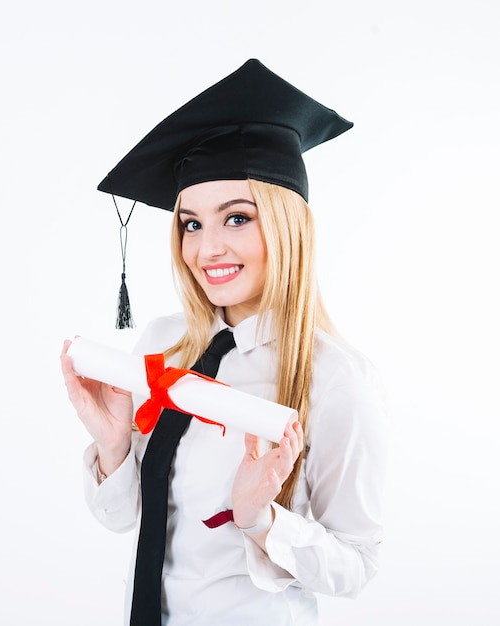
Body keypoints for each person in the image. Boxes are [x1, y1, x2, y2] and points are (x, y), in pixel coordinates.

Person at [60, 59, 388, 626]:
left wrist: (260, 518)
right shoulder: (164, 344)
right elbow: (124, 521)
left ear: (287, 226)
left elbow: (356, 564)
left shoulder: (334, 376)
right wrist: (113, 446)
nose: (207, 248)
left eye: (236, 218)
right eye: (191, 223)